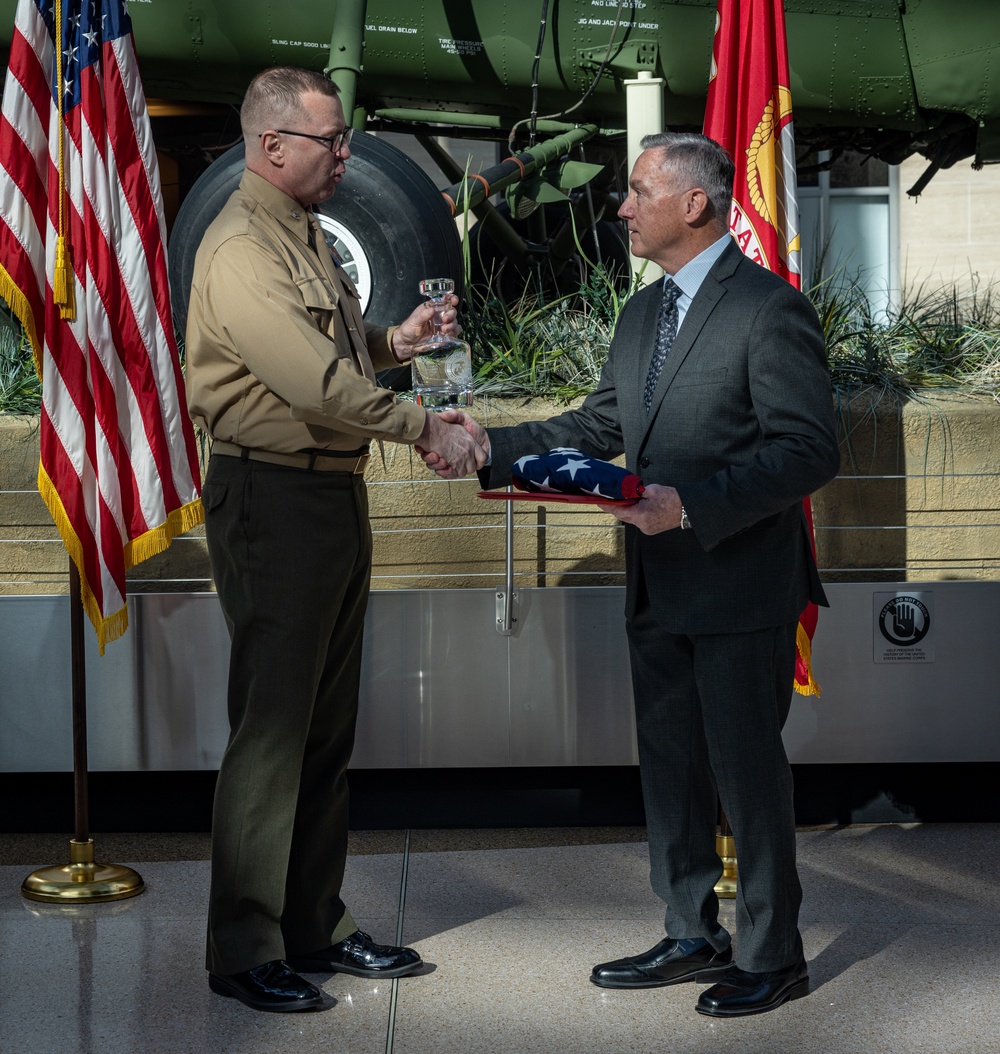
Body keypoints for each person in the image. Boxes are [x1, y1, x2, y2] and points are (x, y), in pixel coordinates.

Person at [424, 132, 840, 1017]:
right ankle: (691, 931)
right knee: (671, 768)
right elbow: (598, 421)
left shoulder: (769, 309)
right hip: (656, 584)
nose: (621, 206)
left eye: (638, 191)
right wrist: (493, 448)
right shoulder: (643, 315)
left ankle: (774, 952)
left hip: (740, 586)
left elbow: (808, 450)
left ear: (695, 202)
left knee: (746, 777)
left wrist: (688, 506)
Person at [185, 66, 486, 1013]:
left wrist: (399, 341)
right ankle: (245, 947)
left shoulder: (299, 232)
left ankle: (310, 923)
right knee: (273, 732)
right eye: (331, 139)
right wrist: (424, 426)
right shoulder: (239, 246)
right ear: (273, 146)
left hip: (323, 497)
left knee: (322, 729)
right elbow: (313, 382)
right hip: (272, 502)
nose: (346, 153)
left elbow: (339, 350)